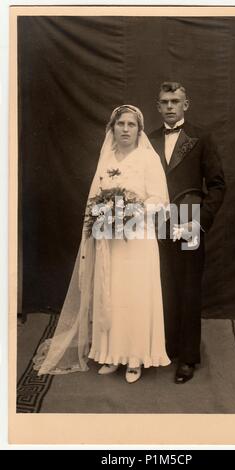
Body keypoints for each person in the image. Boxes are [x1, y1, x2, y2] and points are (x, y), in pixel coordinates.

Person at [33, 105, 170, 383]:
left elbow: (159, 200)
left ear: (139, 130)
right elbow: (94, 199)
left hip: (138, 240)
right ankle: (110, 354)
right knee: (112, 295)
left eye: (131, 125)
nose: (125, 129)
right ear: (112, 128)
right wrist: (103, 218)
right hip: (110, 240)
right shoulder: (107, 158)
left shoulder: (148, 160)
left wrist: (130, 212)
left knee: (136, 297)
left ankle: (135, 358)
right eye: (120, 124)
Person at [149, 82, 226, 384]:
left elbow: (218, 185)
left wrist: (200, 220)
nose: (170, 106)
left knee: (189, 288)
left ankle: (188, 358)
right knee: (161, 285)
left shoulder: (201, 138)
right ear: (157, 106)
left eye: (175, 101)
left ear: (186, 105)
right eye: (165, 101)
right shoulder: (149, 140)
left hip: (189, 218)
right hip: (156, 222)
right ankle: (164, 347)